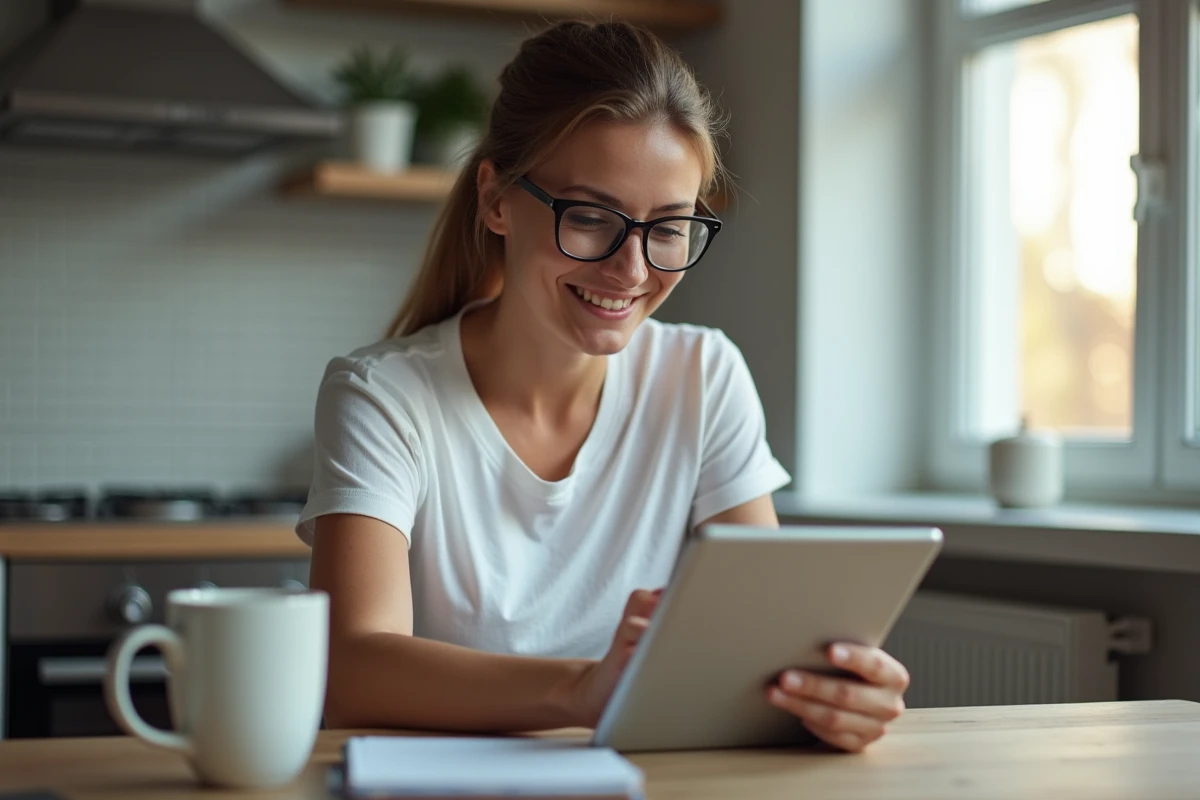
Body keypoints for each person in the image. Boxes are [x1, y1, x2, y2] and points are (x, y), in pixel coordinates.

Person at [298, 20, 909, 753]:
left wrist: (825, 694)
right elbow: (349, 669)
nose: (632, 270)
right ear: (496, 199)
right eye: (590, 218)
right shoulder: (384, 396)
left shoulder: (703, 377)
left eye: (669, 227)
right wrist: (581, 690)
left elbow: (753, 649)